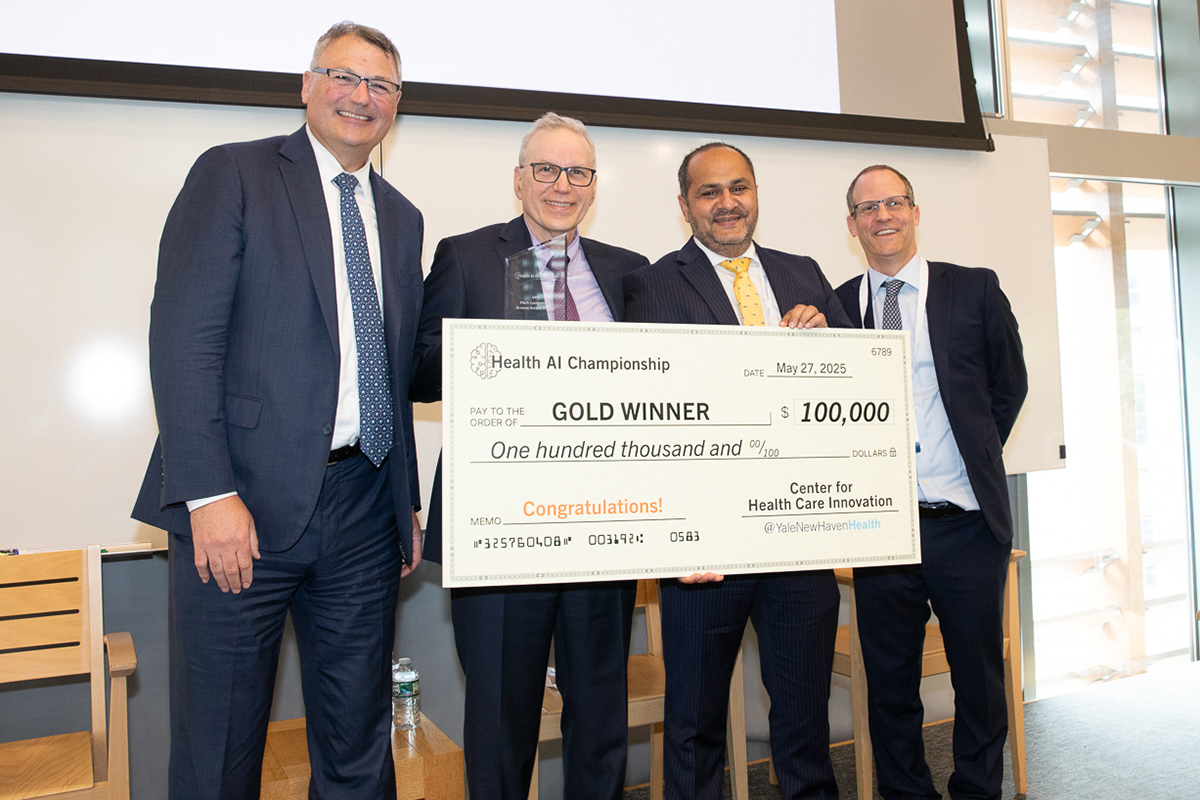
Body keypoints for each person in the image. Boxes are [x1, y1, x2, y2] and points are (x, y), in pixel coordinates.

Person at [131, 22, 424, 800]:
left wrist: (405, 506)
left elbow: (389, 373)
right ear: (306, 84)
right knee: (220, 749)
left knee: (358, 749)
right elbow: (183, 342)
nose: (361, 97)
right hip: (242, 506)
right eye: (344, 76)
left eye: (381, 85)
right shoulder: (234, 174)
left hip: (364, 510)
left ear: (397, 103)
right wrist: (208, 494)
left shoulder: (402, 217)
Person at [410, 112, 649, 800]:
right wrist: (488, 357)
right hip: (501, 527)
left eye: (577, 172)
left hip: (603, 524)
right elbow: (421, 373)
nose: (561, 185)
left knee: (601, 714)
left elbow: (665, 377)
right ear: (519, 180)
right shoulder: (470, 255)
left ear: (593, 186)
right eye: (546, 169)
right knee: (502, 717)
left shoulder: (627, 271)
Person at [622, 142, 848, 800]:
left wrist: (826, 337)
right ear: (685, 205)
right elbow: (645, 415)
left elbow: (850, 384)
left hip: (799, 535)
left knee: (804, 719)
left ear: (755, 194)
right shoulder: (654, 283)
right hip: (704, 545)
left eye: (738, 188)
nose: (727, 203)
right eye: (709, 192)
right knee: (694, 727)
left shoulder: (804, 272)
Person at [834, 165, 1027, 800]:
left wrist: (971, 453)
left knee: (978, 678)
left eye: (893, 203)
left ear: (916, 212)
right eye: (867, 208)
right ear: (853, 223)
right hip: (882, 531)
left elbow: (1009, 387)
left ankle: (976, 790)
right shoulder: (836, 306)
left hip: (966, 524)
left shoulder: (972, 290)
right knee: (889, 686)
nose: (881, 216)